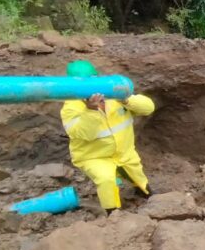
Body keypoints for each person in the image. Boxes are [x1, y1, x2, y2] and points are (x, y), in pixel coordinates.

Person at [61, 60, 155, 211]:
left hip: (124, 152)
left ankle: (145, 192)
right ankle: (113, 214)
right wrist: (91, 111)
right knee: (106, 180)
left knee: (136, 174)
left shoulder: (114, 95)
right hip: (93, 156)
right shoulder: (70, 108)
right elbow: (84, 134)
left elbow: (148, 108)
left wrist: (125, 99)